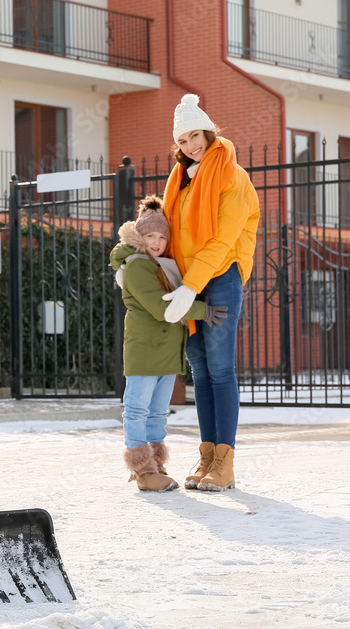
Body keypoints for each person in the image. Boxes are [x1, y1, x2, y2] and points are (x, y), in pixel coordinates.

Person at [160, 94, 260, 492]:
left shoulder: (232, 176)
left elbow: (221, 241)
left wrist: (189, 287)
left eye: (196, 135)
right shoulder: (181, 180)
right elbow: (174, 234)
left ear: (209, 132)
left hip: (220, 277)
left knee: (220, 368)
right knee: (199, 370)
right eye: (182, 141)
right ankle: (206, 457)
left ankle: (225, 461)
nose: (190, 146)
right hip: (190, 280)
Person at [110, 195, 227, 492]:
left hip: (165, 352)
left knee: (158, 412)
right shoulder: (137, 266)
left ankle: (156, 464)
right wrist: (203, 311)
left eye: (162, 236)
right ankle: (142, 469)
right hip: (145, 349)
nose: (157, 241)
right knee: (137, 409)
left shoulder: (161, 264)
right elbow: (163, 307)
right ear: (139, 235)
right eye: (150, 235)